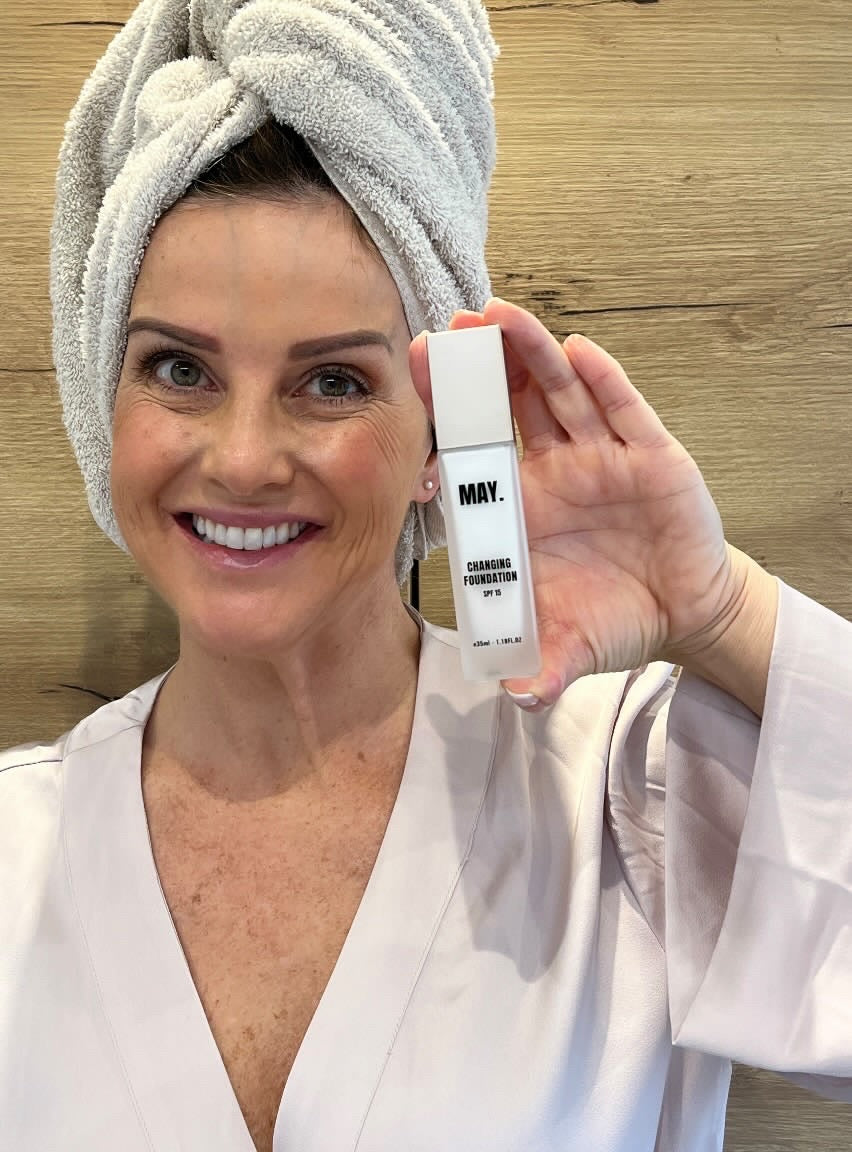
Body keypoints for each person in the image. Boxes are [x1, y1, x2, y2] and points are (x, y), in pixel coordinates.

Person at [1, 2, 850, 1150]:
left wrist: (721, 609)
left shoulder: (629, 800)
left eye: (334, 383)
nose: (243, 460)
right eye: (180, 369)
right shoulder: (14, 852)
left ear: (441, 433)